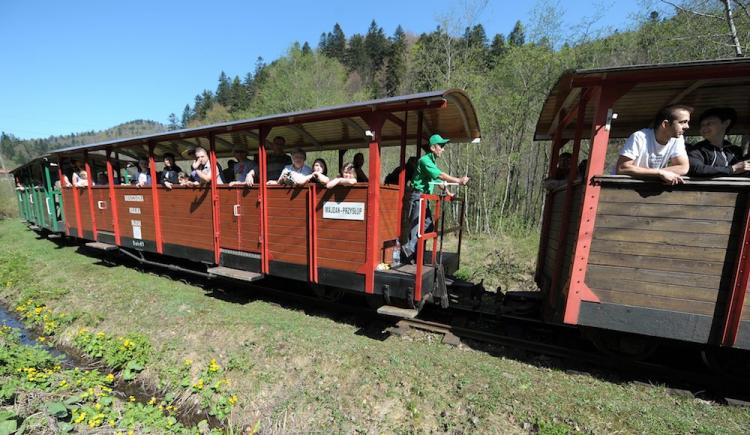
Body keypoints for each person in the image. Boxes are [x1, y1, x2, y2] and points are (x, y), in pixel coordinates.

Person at [401, 134, 470, 264]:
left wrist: (449, 193)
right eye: (441, 146)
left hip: (423, 197)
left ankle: (412, 251)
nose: (443, 149)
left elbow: (437, 180)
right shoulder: (425, 160)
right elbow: (441, 175)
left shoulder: (431, 161)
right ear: (433, 148)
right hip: (418, 197)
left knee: (427, 225)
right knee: (417, 227)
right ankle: (408, 251)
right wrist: (459, 180)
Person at [615, 104, 692, 185]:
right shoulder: (640, 137)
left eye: (687, 122)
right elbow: (622, 168)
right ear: (665, 124)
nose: (687, 126)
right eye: (683, 122)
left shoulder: (677, 139)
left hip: (647, 186)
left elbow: (683, 167)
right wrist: (658, 173)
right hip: (622, 186)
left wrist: (659, 173)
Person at [688, 107, 750, 177]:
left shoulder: (735, 150)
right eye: (702, 125)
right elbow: (697, 169)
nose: (704, 128)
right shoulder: (696, 150)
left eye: (709, 123)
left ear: (726, 123)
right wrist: (732, 169)